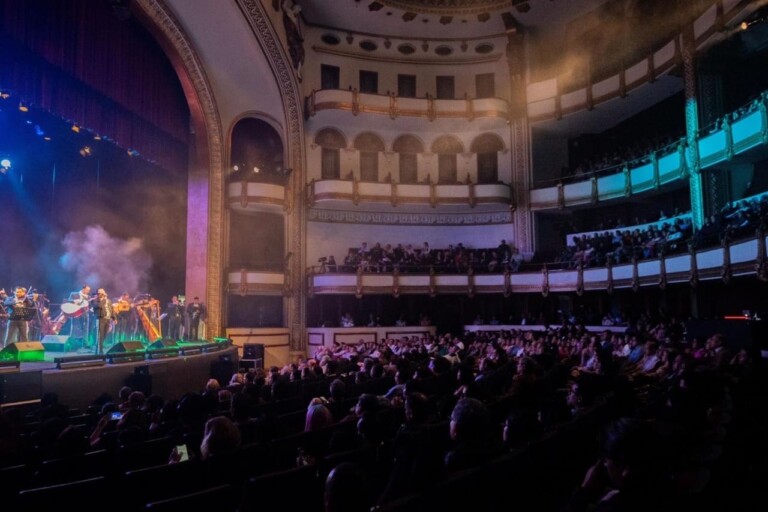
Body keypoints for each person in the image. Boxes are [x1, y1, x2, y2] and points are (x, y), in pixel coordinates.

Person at [92, 288, 114, 354]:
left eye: (102, 293)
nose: (100, 294)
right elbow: (99, 306)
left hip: (107, 319)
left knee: (104, 335)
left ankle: (98, 348)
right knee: (100, 335)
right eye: (99, 293)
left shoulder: (109, 301)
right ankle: (100, 351)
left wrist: (114, 318)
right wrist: (103, 300)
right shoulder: (95, 300)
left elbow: (112, 310)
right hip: (100, 319)